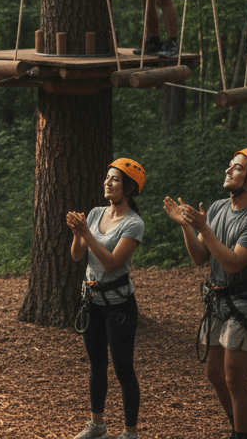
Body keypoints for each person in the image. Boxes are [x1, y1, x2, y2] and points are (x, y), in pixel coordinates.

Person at [163, 148, 247, 439]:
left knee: (235, 380)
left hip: (244, 304)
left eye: (237, 168)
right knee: (214, 375)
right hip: (217, 303)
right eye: (230, 165)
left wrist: (203, 227)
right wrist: (188, 227)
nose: (228, 170)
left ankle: (242, 435)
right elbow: (202, 257)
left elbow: (233, 263)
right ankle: (235, 427)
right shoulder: (217, 208)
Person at [66, 159, 147, 439]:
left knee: (124, 369)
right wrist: (79, 233)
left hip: (119, 307)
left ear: (129, 188)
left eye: (115, 179)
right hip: (92, 302)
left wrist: (86, 233)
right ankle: (97, 426)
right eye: (107, 177)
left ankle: (129, 433)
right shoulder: (95, 213)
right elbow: (77, 255)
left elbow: (112, 263)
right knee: (96, 365)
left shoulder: (134, 224)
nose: (107, 182)